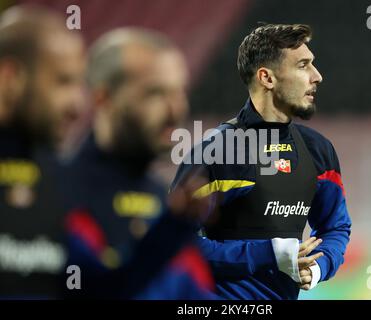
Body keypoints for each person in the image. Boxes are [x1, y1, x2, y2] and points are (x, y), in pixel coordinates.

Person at [171, 24, 352, 300]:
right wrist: (269, 254)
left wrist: (320, 265)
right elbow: (175, 243)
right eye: (303, 65)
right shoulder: (217, 151)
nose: (317, 76)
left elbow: (335, 226)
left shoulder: (318, 151)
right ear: (267, 78)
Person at [63, 27, 214, 299]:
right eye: (156, 93)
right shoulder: (59, 194)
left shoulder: (170, 203)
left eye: (179, 92)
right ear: (103, 98)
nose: (176, 110)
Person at [0, 5, 86, 298]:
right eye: (62, 81)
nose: (78, 106)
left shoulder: (59, 180)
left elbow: (106, 285)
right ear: (10, 77)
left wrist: (173, 226)